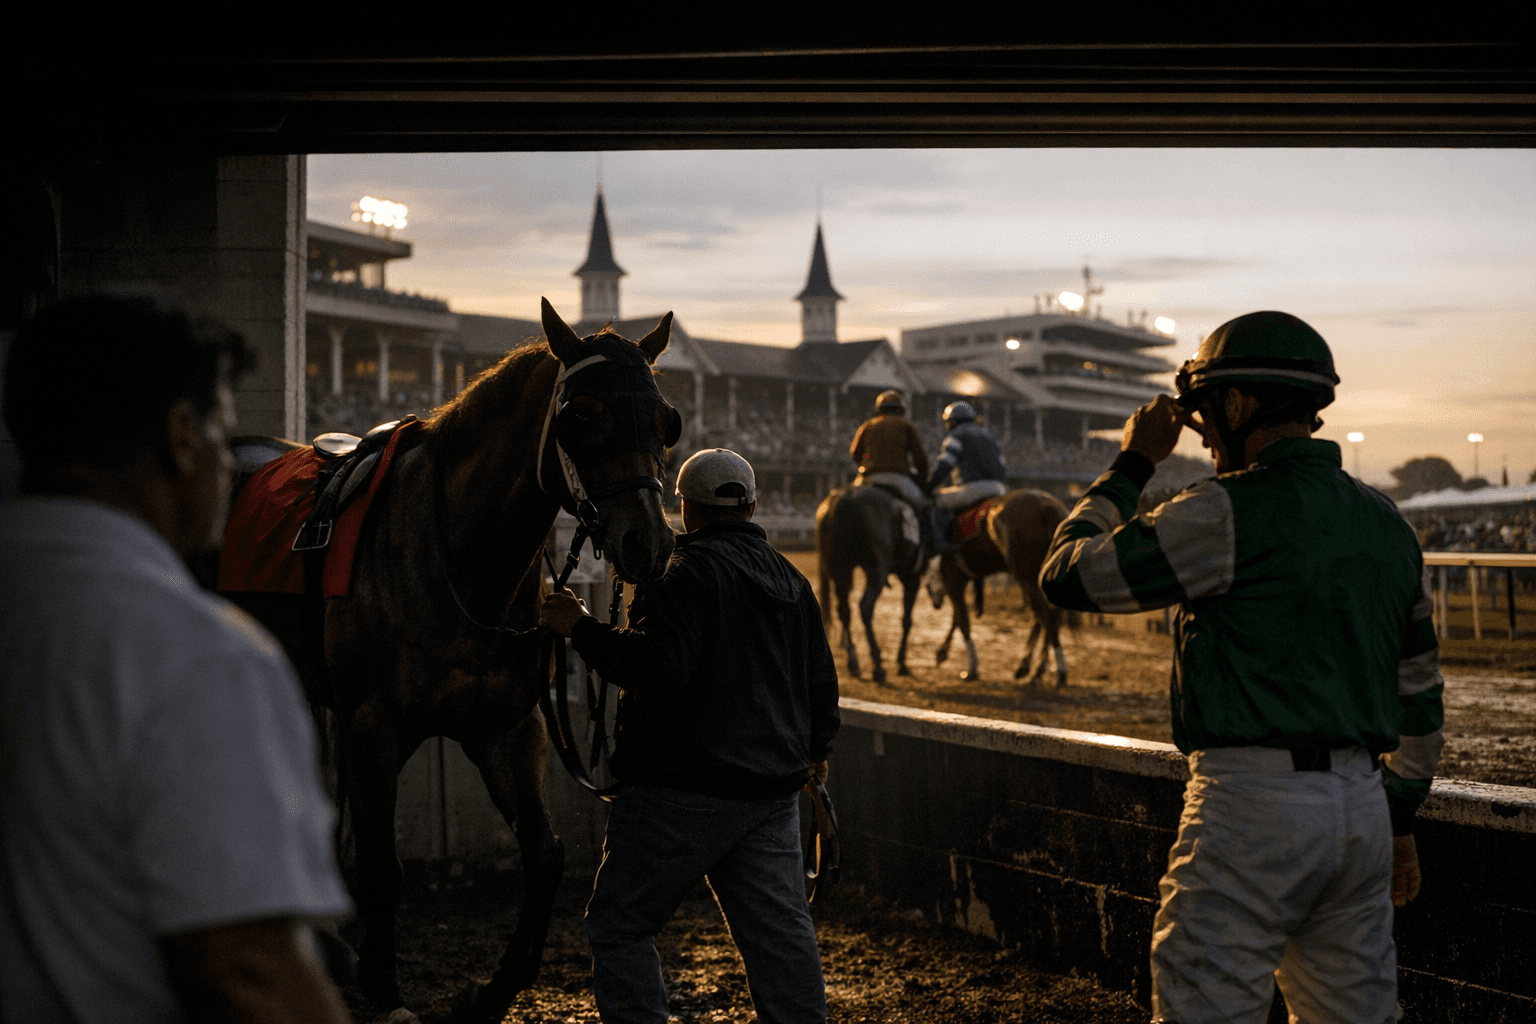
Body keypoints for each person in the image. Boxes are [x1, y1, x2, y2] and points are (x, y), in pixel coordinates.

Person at [1039, 311, 1443, 1024]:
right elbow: (1420, 698)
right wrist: (1399, 817)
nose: (1206, 440)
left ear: (1238, 404)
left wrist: (1133, 463)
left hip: (1251, 809)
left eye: (1207, 417)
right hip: (1362, 815)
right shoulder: (1389, 524)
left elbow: (1067, 574)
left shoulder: (1220, 511)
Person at [0, 296, 354, 1024]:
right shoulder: (198, 654)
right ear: (182, 436)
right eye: (224, 433)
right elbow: (248, 973)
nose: (229, 466)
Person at [539, 447, 839, 1024]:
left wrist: (577, 626)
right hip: (771, 793)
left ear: (686, 508)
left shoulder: (681, 574)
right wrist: (816, 755)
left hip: (678, 790)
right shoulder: (793, 579)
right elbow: (819, 685)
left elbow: (657, 668)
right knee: (780, 939)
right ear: (752, 506)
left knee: (620, 925)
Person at [926, 400, 1008, 549]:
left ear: (952, 421)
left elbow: (945, 466)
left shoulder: (957, 436)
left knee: (932, 503)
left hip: (972, 489)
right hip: (999, 488)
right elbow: (1003, 469)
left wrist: (929, 486)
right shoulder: (990, 436)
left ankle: (939, 543)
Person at [849, 389, 929, 507]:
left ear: (879, 409)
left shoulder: (867, 425)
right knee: (925, 506)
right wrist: (922, 479)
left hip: (867, 478)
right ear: (901, 410)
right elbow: (921, 460)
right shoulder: (906, 426)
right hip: (898, 478)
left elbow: (854, 454)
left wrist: (868, 464)